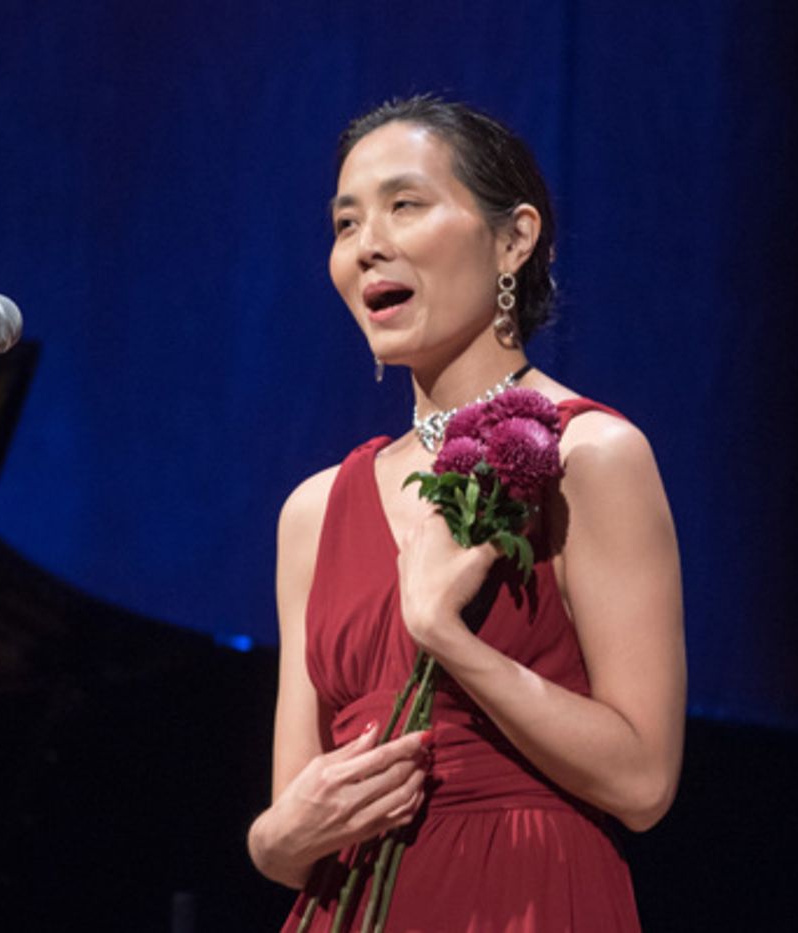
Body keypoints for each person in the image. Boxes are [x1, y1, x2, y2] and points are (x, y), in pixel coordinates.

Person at [247, 95, 686, 932]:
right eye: (346, 224)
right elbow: (284, 824)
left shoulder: (590, 454)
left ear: (514, 238)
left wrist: (446, 634)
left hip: (520, 898)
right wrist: (278, 840)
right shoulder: (313, 510)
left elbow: (643, 782)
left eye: (404, 205)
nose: (366, 244)